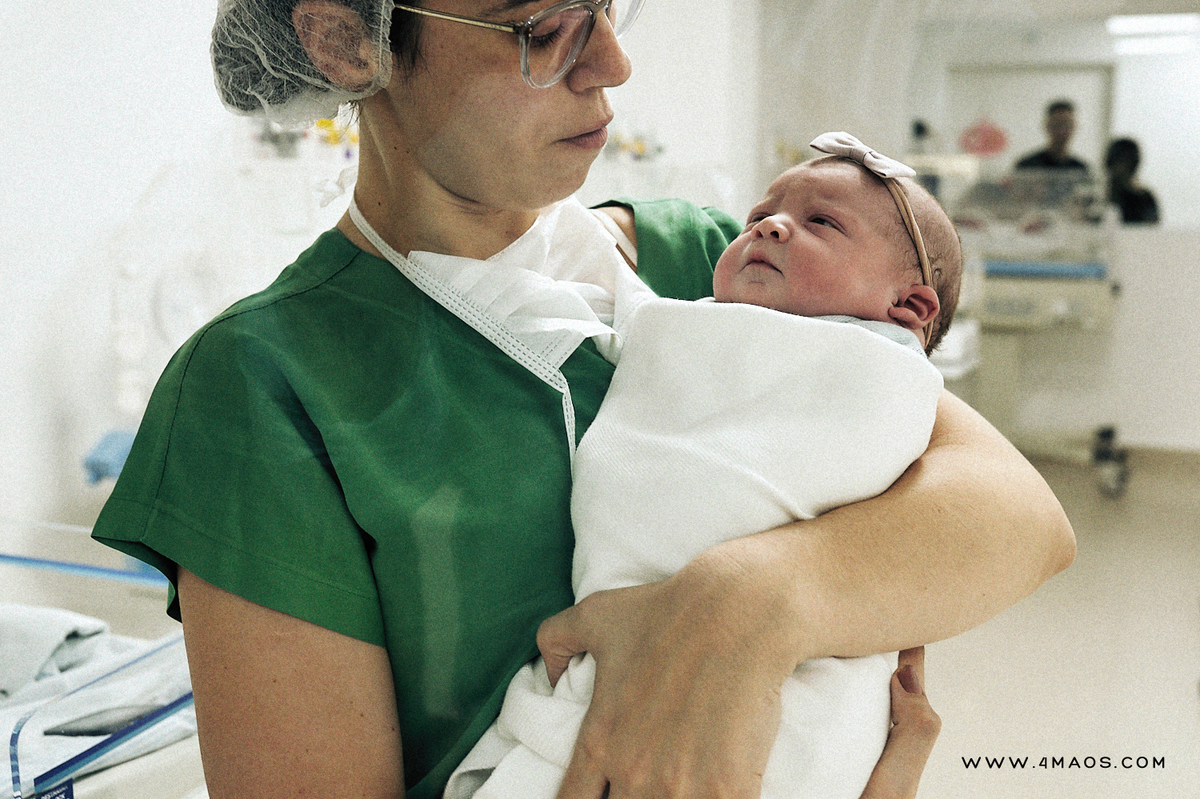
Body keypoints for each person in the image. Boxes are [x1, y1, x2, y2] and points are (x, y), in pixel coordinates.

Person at [90, 2, 1075, 798]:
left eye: (608, 7)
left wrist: (747, 604)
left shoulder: (715, 265)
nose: (611, 60)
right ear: (349, 41)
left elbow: (1022, 522)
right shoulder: (262, 386)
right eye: (541, 26)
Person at [445, 133, 960, 799]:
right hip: (630, 625)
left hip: (797, 659)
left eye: (822, 223)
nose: (770, 225)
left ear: (910, 308)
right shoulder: (684, 321)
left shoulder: (881, 371)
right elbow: (595, 297)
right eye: (758, 218)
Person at [1014, 99, 1091, 176]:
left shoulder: (1081, 169)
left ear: (1074, 127)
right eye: (1058, 124)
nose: (1062, 131)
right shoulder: (1027, 166)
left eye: (1068, 125)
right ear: (1047, 126)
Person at [1104, 137, 1159, 224]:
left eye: (1125, 162)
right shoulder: (1101, 196)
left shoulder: (1144, 198)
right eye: (1119, 162)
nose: (1121, 168)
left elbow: (1151, 229)